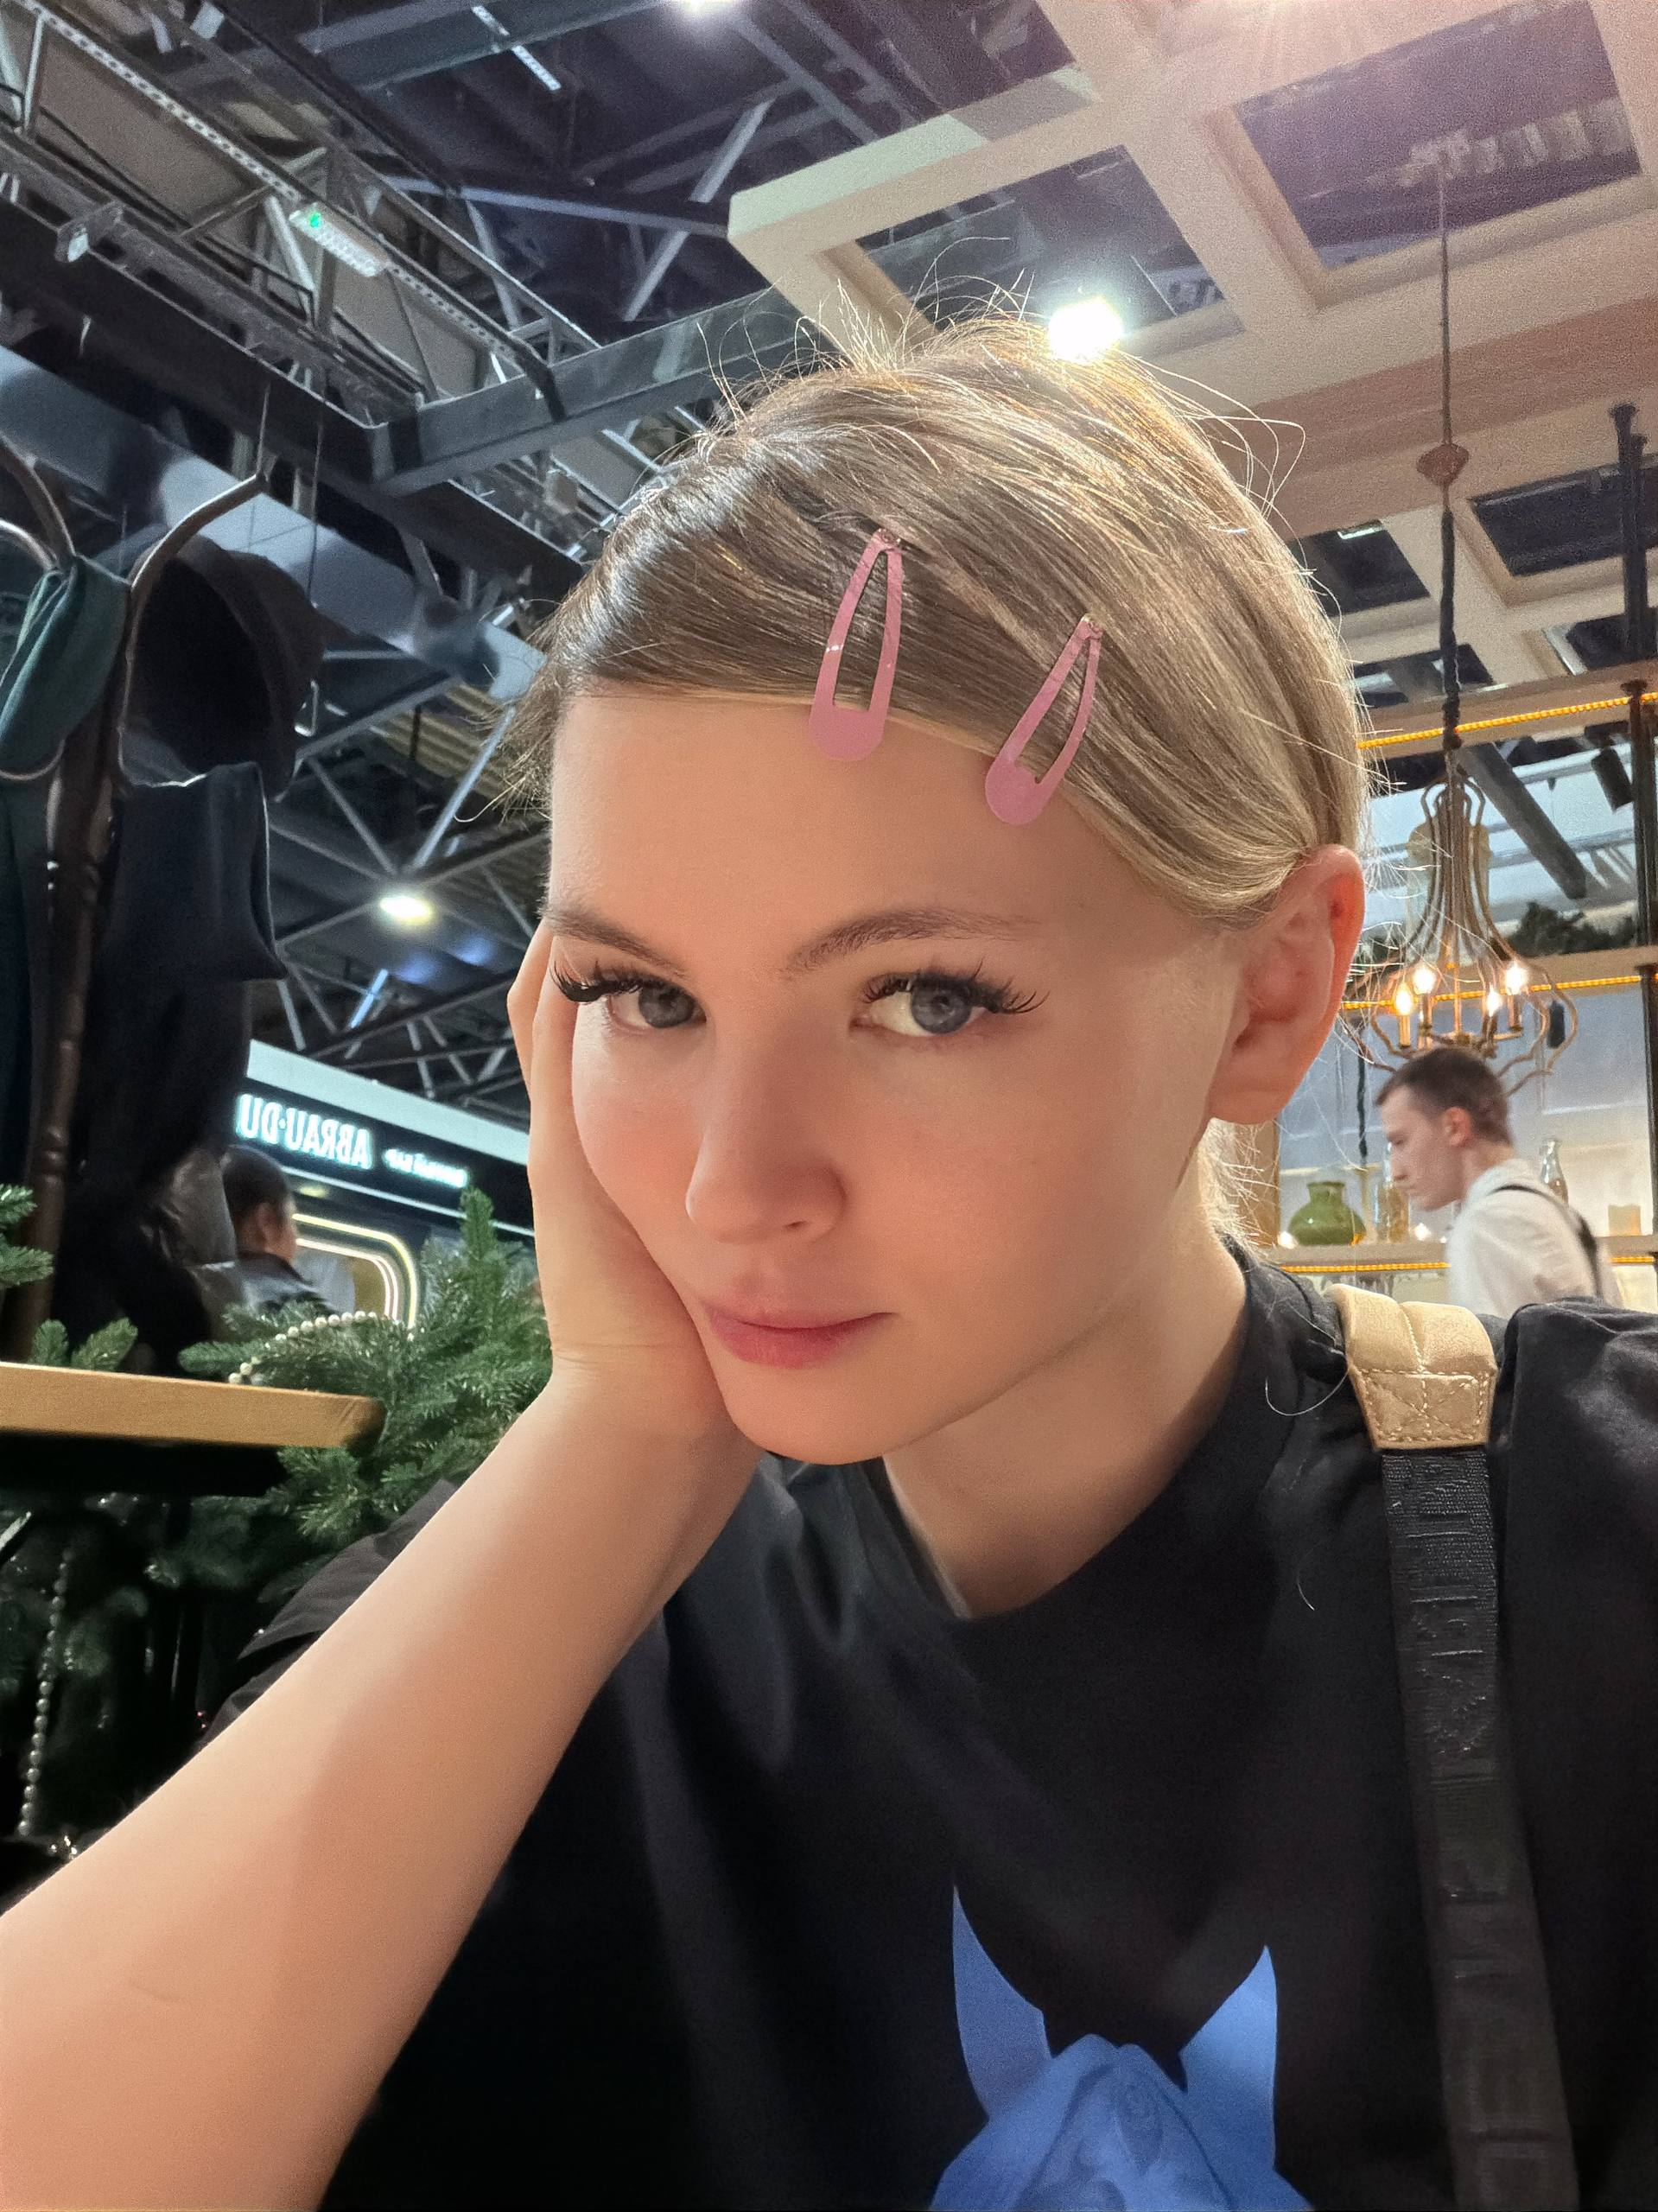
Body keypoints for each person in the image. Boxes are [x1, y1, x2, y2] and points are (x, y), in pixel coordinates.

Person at [2, 317, 1654, 2212]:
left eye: (925, 997)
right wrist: (617, 1439)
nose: (732, 1188)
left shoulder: (1590, 1547)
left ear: (1270, 992)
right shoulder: (550, 1628)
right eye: (644, 994)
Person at [1375, 1046, 1615, 1318]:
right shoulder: (1561, 1215)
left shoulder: (1488, 1224)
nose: (1396, 1172)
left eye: (1400, 1142)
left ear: (1455, 1126)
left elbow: (1493, 1347)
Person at [219, 1144, 338, 1316]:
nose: (297, 1242)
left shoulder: (189, 1293)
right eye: (291, 1220)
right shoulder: (301, 1309)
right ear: (265, 1221)